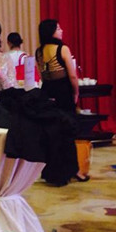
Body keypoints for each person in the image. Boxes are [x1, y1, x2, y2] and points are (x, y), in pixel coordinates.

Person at [35, 19, 83, 185]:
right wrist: (76, 93)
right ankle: (72, 171)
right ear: (51, 31)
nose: (61, 31)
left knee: (51, 133)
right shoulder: (62, 49)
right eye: (58, 28)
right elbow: (72, 76)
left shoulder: (39, 51)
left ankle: (51, 173)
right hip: (63, 92)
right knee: (67, 132)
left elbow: (42, 75)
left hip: (47, 92)